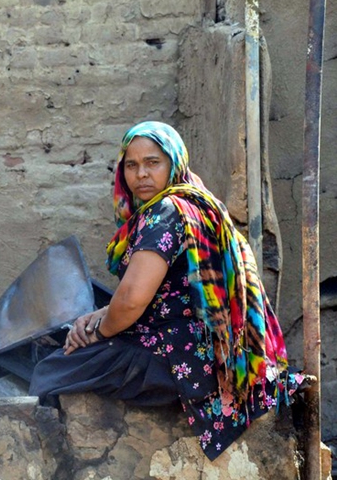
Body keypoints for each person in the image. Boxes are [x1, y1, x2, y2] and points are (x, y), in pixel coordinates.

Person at [28, 121, 299, 460]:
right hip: (211, 350)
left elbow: (130, 303)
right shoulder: (197, 202)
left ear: (173, 162)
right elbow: (163, 291)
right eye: (131, 164)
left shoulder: (165, 212)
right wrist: (98, 316)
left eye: (152, 162)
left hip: (180, 358)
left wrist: (97, 332)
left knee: (52, 370)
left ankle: (58, 465)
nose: (141, 174)